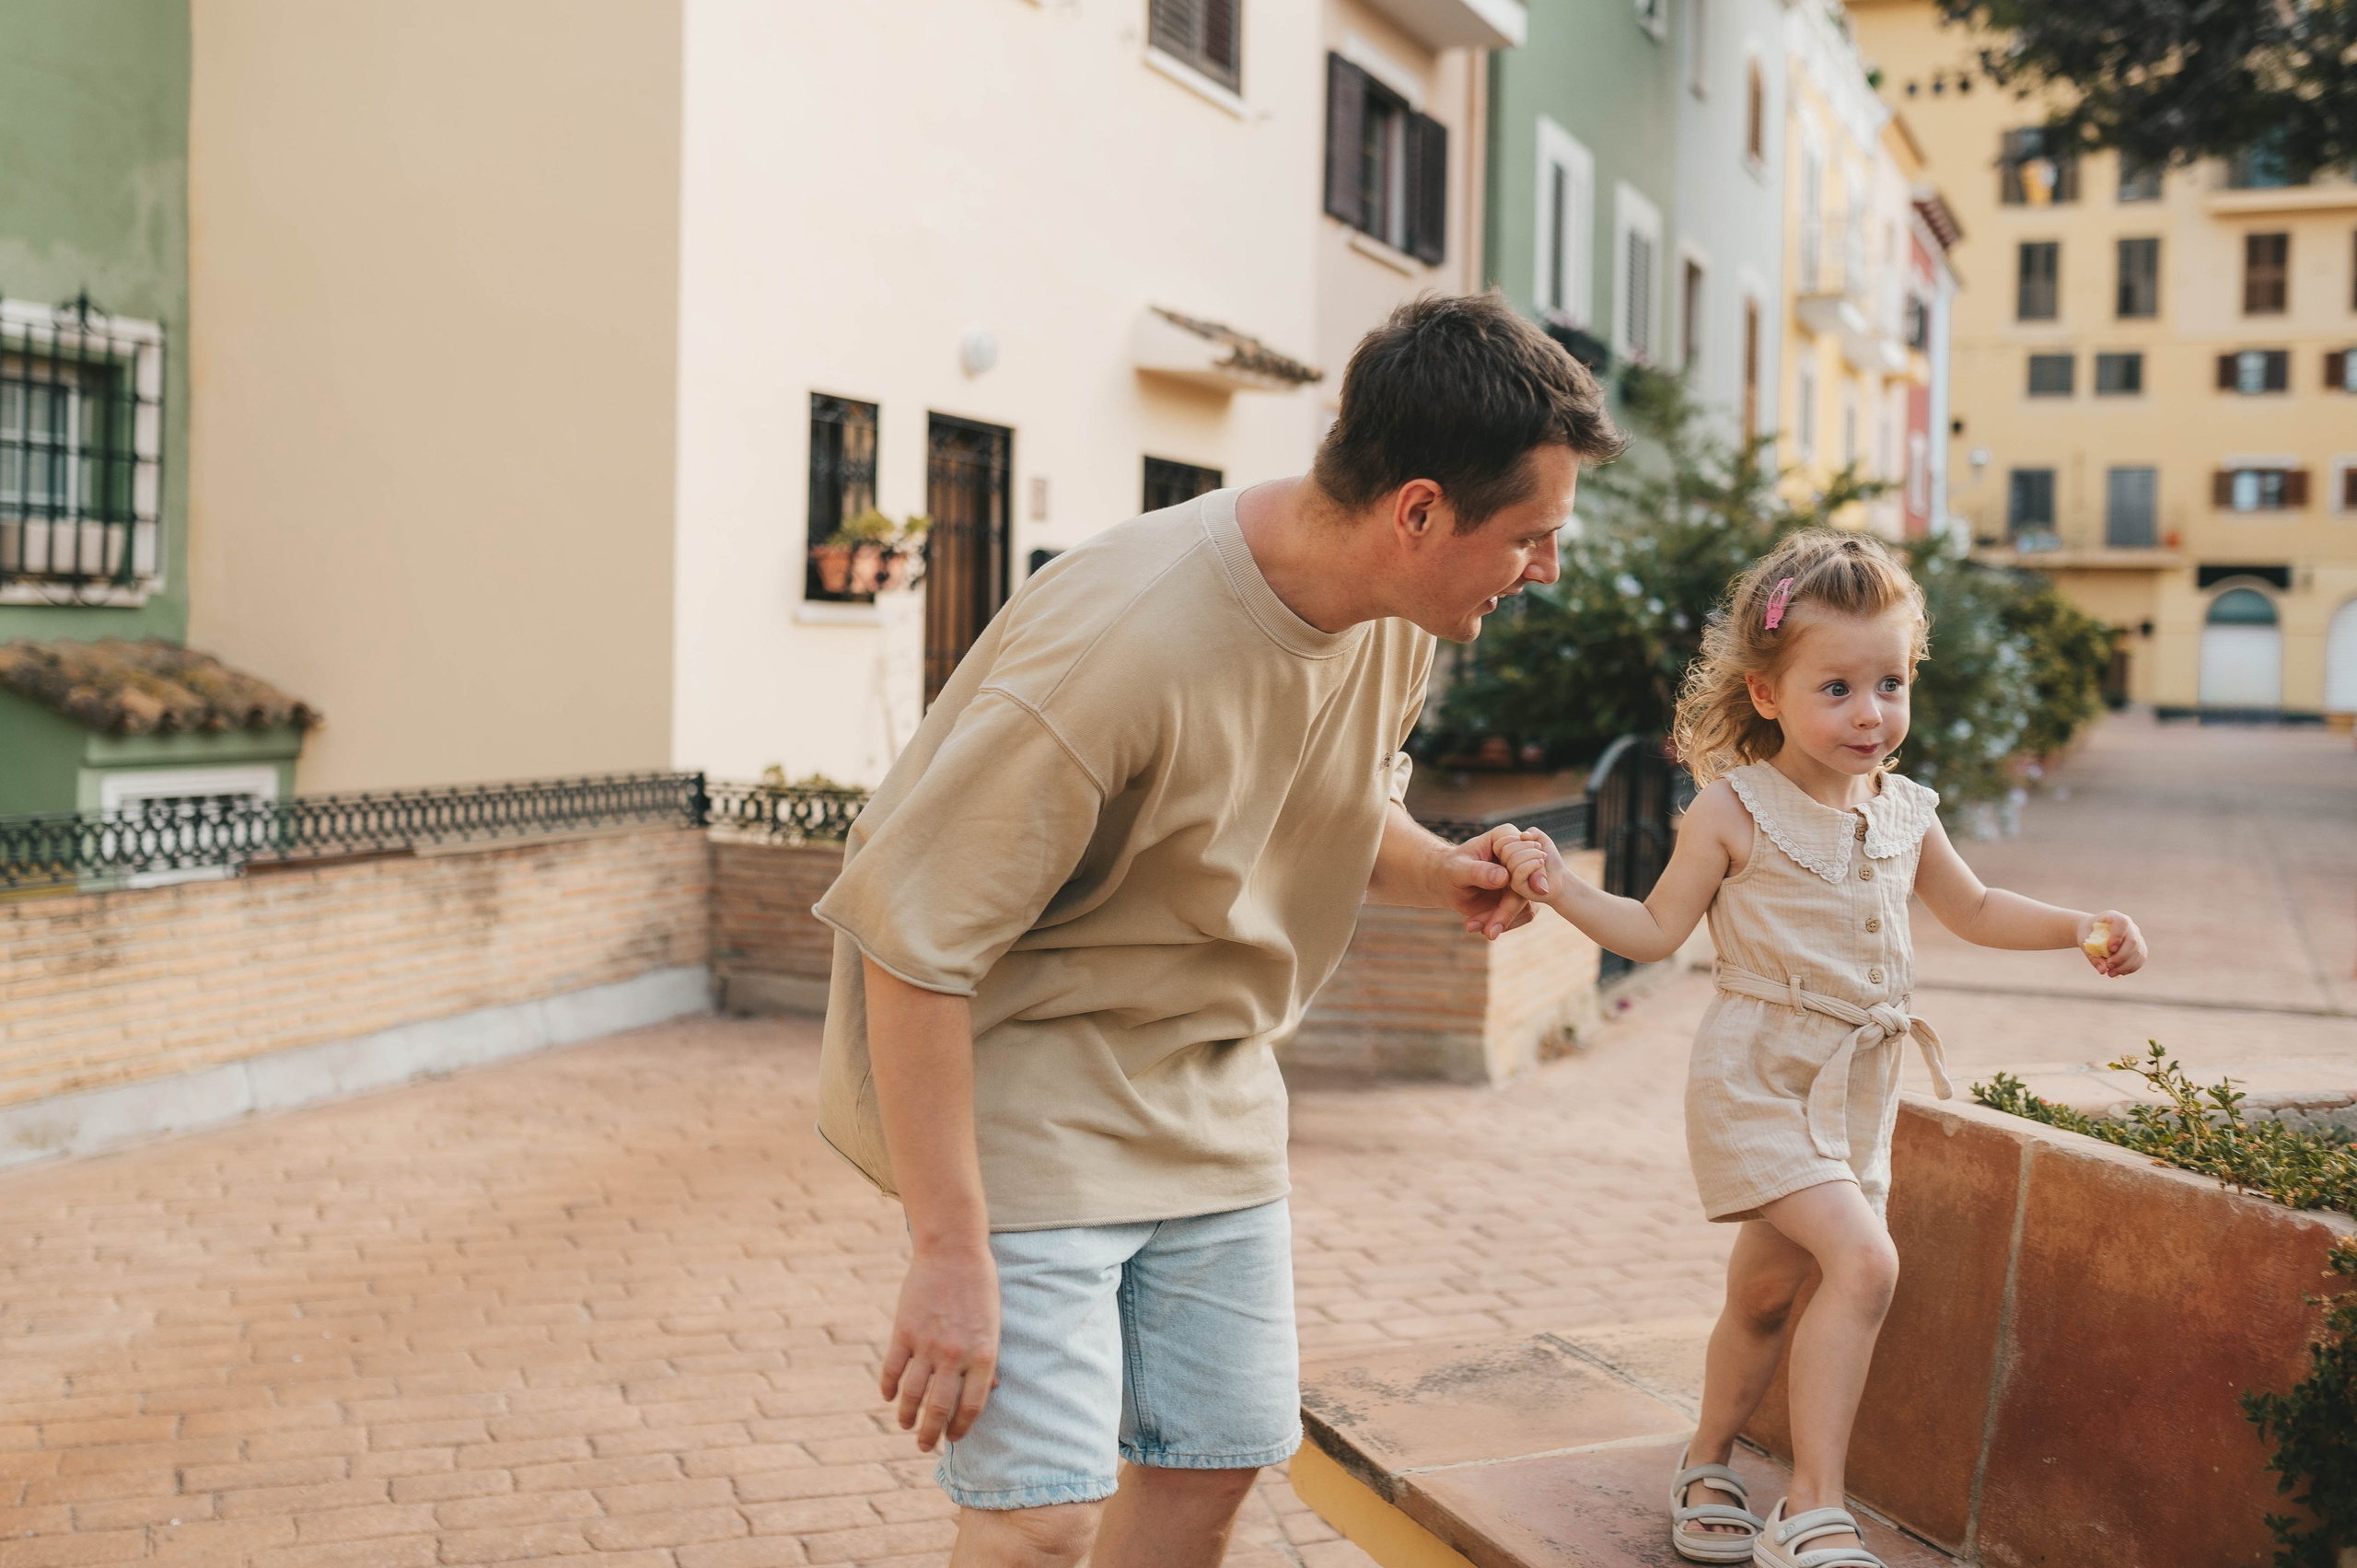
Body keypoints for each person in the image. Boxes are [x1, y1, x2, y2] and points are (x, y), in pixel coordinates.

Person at [809, 294, 1628, 1568]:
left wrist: (1442, 866)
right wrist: (948, 1250)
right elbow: (909, 938)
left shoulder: (1392, 615)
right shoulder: (1116, 646)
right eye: (1532, 535)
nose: (1547, 568)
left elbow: (1329, 800)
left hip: (1217, 1103)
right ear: (1418, 511)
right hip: (1037, 1104)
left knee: (1212, 1464)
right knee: (1037, 1516)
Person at [1495, 529, 2147, 1568]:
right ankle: (1810, 1508)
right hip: (1757, 1078)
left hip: (1855, 1093)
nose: (1867, 712)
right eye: (1835, 686)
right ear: (1766, 694)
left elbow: (1973, 907)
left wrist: (2077, 923)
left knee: (1763, 1294)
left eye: (1888, 683)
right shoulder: (1734, 809)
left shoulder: (1905, 810)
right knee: (1863, 1258)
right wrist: (1561, 888)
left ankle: (1705, 1452)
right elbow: (1657, 932)